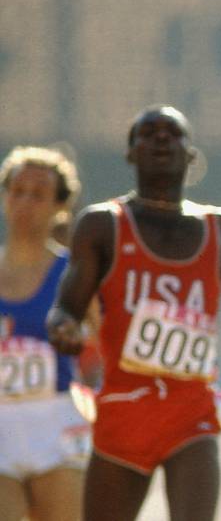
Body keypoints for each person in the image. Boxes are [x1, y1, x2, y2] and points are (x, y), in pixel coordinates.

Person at [46, 105, 221, 521]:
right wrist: (64, 330)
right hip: (124, 408)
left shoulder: (220, 227)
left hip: (192, 410)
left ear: (191, 154)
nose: (161, 139)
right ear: (130, 153)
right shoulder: (102, 225)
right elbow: (65, 310)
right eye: (148, 133)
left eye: (173, 133)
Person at [0, 146, 89, 521]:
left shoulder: (76, 273)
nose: (25, 202)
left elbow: (110, 343)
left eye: (38, 194)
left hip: (57, 424)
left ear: (59, 207)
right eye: (17, 191)